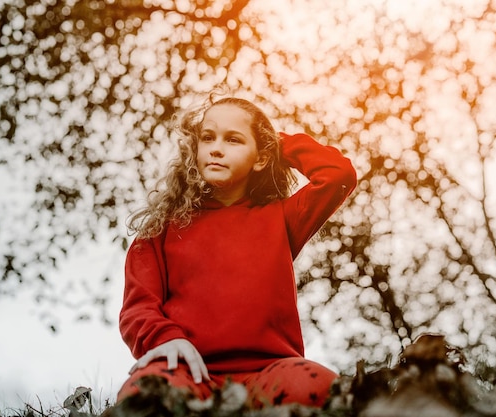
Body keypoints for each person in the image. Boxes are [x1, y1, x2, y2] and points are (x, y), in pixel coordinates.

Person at [116, 95, 357, 409]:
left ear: (260, 158)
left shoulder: (282, 219)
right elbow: (139, 307)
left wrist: (271, 144)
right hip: (190, 371)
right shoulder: (159, 229)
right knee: (142, 395)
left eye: (233, 139)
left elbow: (337, 174)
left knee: (322, 388)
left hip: (271, 372)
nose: (216, 148)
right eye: (207, 138)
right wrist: (166, 340)